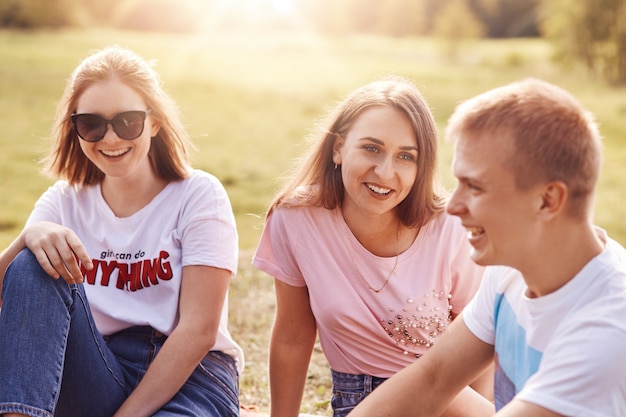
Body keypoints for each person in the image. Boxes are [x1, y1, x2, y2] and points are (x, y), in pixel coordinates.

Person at [349, 78, 626, 417]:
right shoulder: (513, 267)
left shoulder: (605, 336)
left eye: (474, 187)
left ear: (548, 200)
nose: (453, 206)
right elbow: (433, 379)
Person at [0, 46, 243, 417]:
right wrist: (27, 237)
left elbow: (198, 330)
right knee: (33, 262)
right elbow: (16, 300)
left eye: (127, 121)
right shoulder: (64, 201)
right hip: (97, 366)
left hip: (191, 377)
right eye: (91, 124)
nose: (110, 139)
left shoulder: (198, 195)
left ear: (155, 122)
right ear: (75, 129)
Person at [252, 77, 494, 417]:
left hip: (445, 398)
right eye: (371, 148)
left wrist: (488, 410)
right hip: (357, 399)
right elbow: (293, 336)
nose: (385, 171)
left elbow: (481, 336)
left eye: (405, 156)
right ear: (338, 148)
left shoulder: (450, 226)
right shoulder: (296, 219)